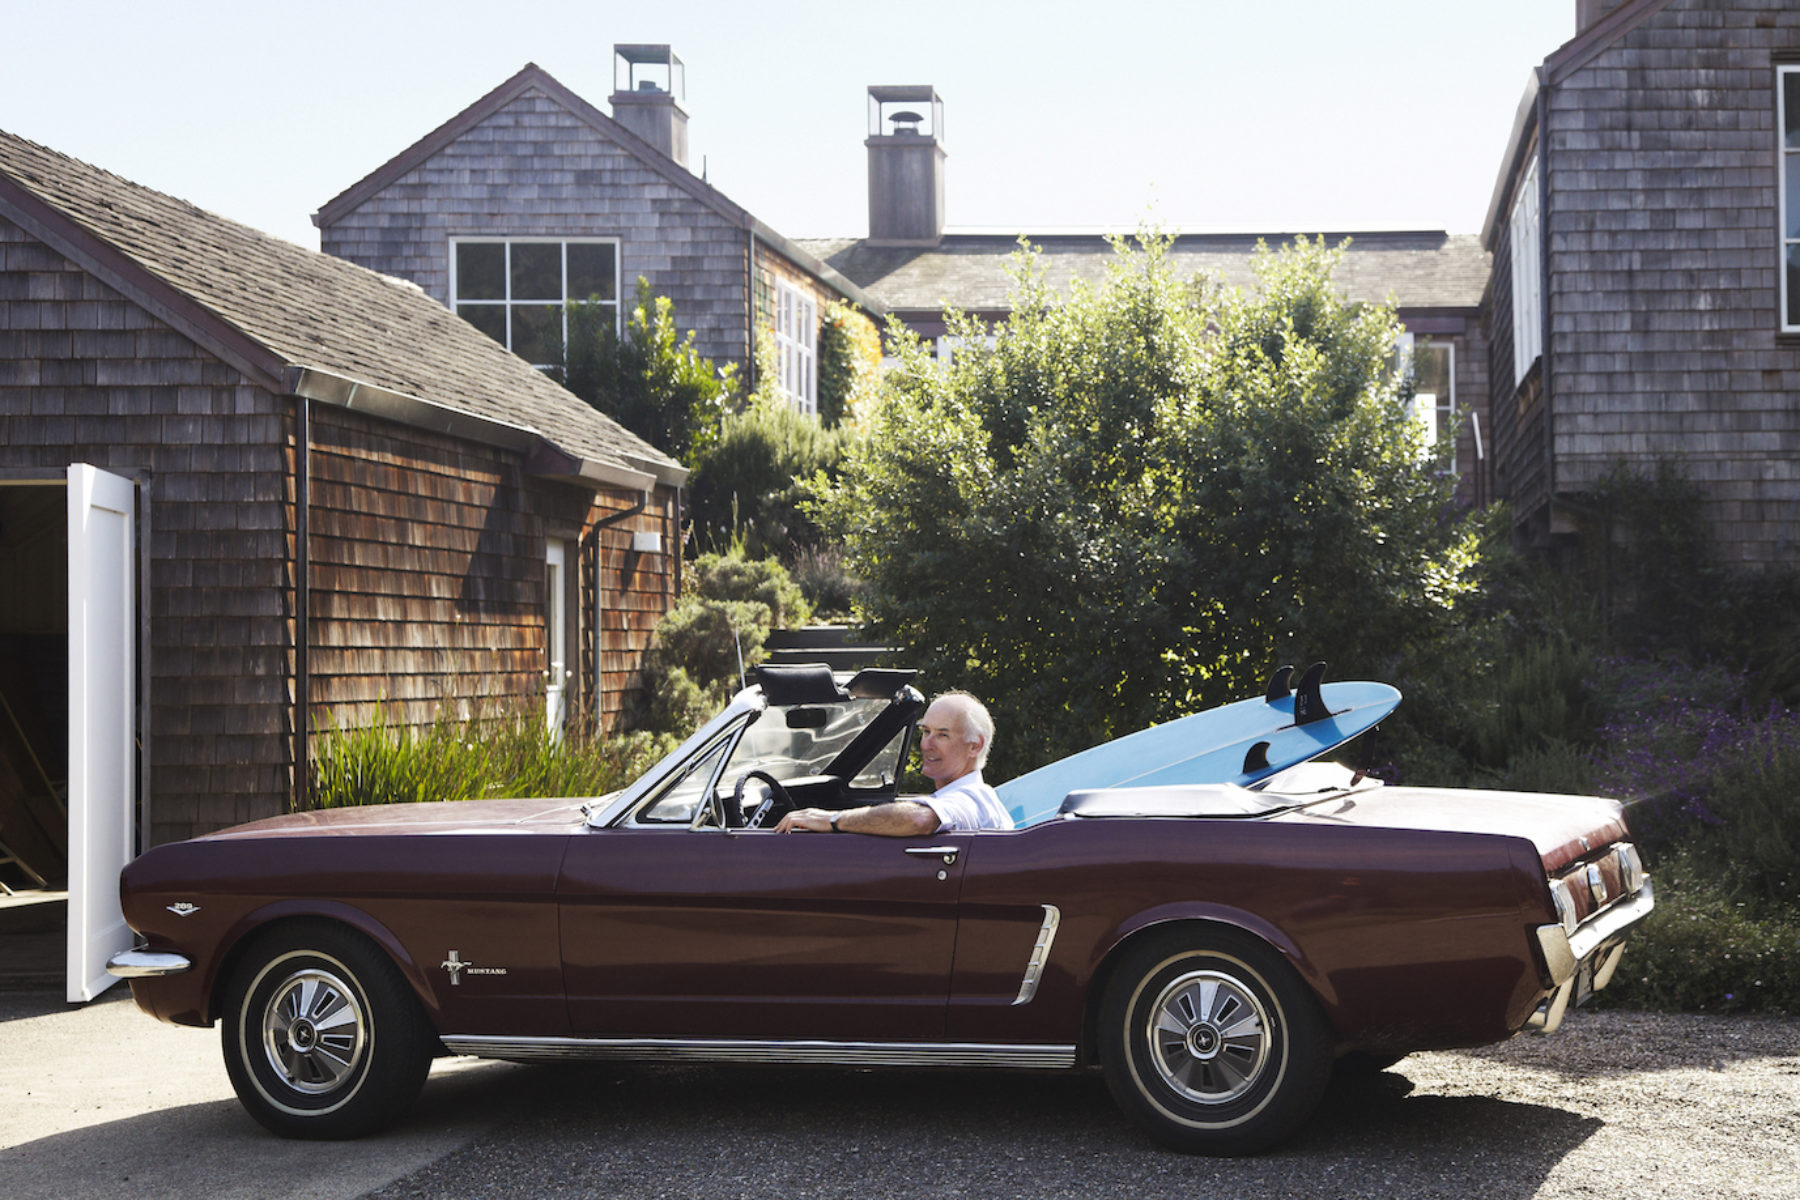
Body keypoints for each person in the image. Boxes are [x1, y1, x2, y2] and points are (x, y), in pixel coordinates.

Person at [774, 691, 1014, 835]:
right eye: (926, 732)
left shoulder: (969, 799)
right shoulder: (979, 798)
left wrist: (831, 820)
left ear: (975, 746)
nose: (926, 744)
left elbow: (920, 819)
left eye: (942, 734)